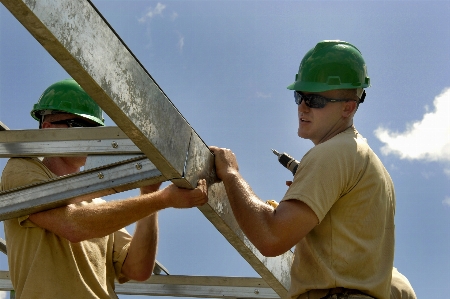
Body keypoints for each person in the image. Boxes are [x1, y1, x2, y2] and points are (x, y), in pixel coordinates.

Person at [210, 40, 395, 299]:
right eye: (300, 96)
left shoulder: (332, 153)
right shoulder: (366, 161)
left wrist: (230, 174)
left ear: (348, 107)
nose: (303, 106)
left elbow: (271, 237)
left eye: (316, 99)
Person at [1, 79, 208, 299]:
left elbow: (137, 269)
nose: (90, 138)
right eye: (80, 126)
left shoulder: (99, 206)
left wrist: (149, 194)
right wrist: (162, 200)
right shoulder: (23, 168)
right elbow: (72, 225)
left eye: (95, 130)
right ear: (48, 127)